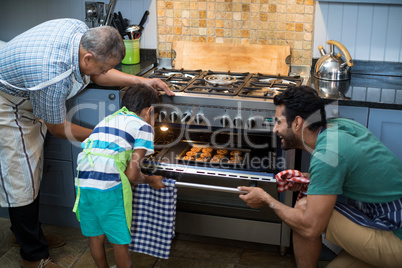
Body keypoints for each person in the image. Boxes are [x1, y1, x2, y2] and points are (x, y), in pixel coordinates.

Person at [0, 18, 173, 268]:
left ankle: (25, 234)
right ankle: (33, 256)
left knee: (34, 175)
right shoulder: (52, 75)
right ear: (87, 59)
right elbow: (59, 128)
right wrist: (105, 136)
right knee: (21, 180)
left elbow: (100, 74)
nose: (104, 73)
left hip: (33, 94)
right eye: (103, 68)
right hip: (8, 104)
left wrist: (142, 81)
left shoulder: (81, 32)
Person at [238, 86, 402, 268]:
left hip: (395, 235)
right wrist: (310, 178)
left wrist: (266, 199)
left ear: (297, 123)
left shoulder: (328, 153)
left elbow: (310, 227)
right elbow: (347, 171)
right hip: (382, 222)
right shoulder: (338, 127)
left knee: (304, 209)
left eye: (278, 122)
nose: (275, 129)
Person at [73, 85, 165, 268]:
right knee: (119, 240)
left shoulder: (109, 119)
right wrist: (151, 180)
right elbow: (132, 174)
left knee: (96, 236)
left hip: (83, 182)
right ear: (149, 111)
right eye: (155, 118)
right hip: (108, 187)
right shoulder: (144, 127)